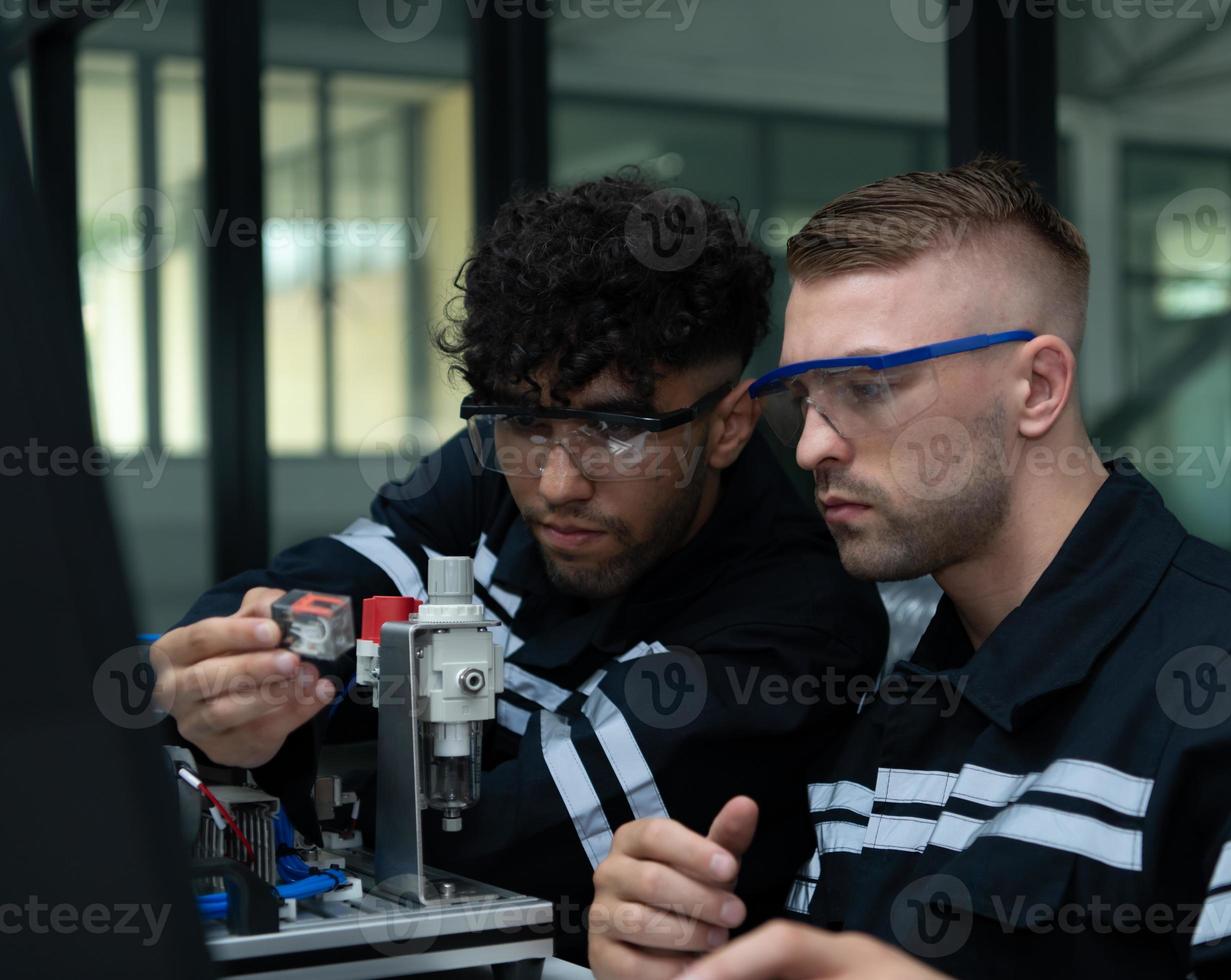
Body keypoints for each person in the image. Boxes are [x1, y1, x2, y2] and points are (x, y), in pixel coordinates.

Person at [587, 156, 1231, 978]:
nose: (815, 443)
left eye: (868, 386)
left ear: (1039, 389)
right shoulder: (900, 710)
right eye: (804, 399)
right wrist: (693, 954)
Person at [149, 174, 888, 962]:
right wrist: (231, 673)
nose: (559, 485)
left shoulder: (797, 619)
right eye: (528, 422)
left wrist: (277, 767)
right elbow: (303, 595)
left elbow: (494, 851)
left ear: (731, 425)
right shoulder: (498, 467)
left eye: (617, 431)